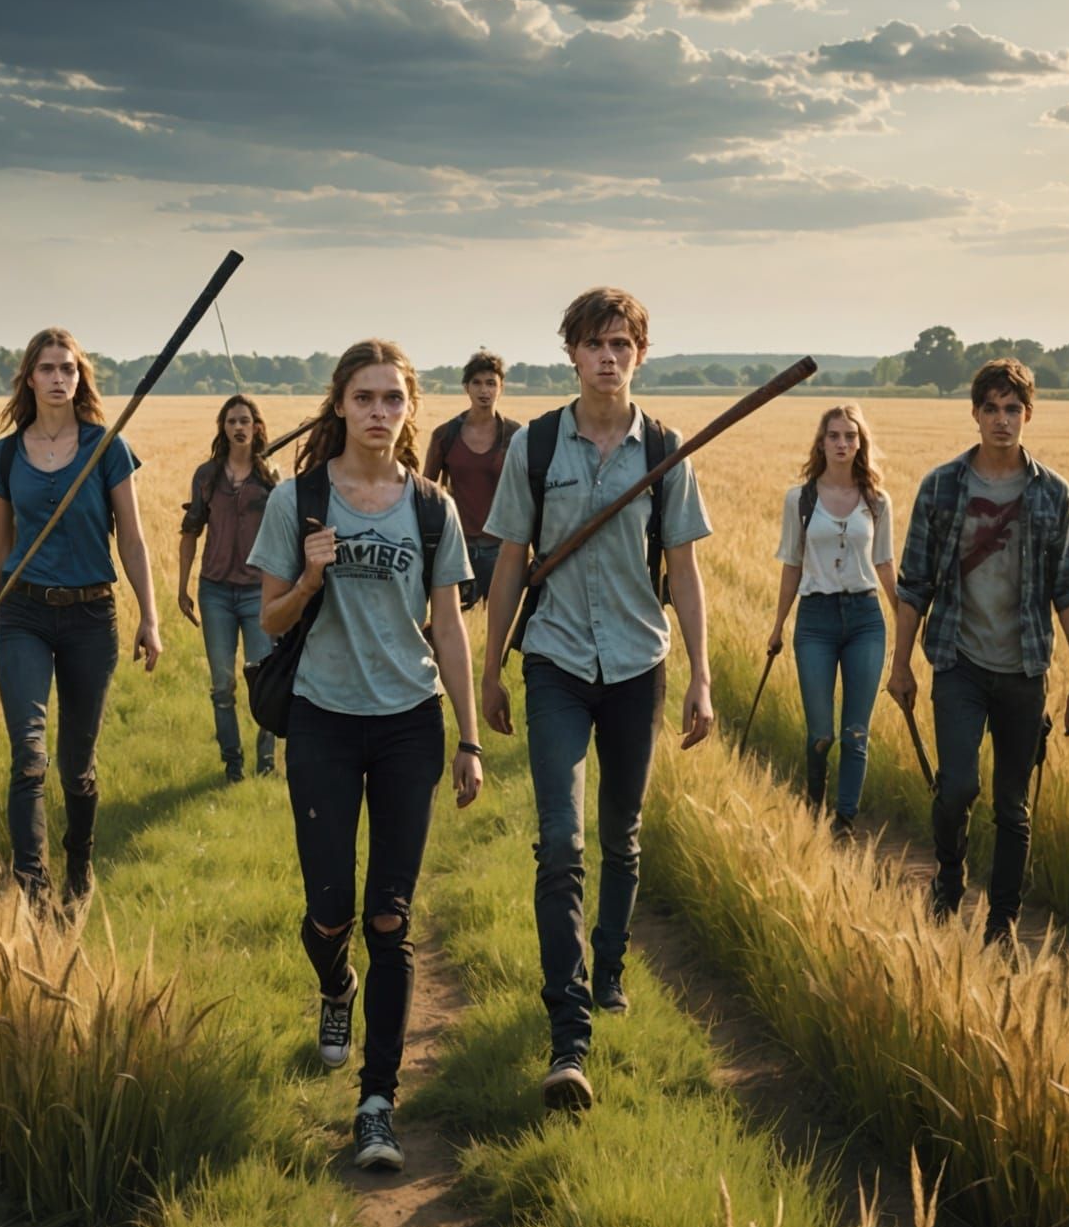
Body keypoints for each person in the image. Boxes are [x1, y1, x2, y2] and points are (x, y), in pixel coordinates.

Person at [249, 339, 483, 1172]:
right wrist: (308, 582)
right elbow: (270, 620)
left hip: (407, 723)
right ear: (339, 406)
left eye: (393, 398)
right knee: (329, 912)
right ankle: (334, 983)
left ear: (408, 409)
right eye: (364, 398)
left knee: (391, 915)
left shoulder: (431, 508)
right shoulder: (298, 500)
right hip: (319, 718)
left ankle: (377, 1104)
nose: (379, 412)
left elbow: (449, 626)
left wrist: (468, 735)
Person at [480, 287, 714, 1114]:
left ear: (639, 354)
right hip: (554, 661)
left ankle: (609, 963)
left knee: (622, 834)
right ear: (571, 354)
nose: (607, 357)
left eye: (621, 344)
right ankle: (568, 1031)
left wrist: (702, 675)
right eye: (593, 344)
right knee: (559, 841)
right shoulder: (537, 446)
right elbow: (511, 559)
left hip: (636, 663)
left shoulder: (665, 448)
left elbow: (682, 569)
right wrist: (488, 669)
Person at [887, 359, 1069, 946]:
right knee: (956, 788)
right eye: (991, 408)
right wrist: (901, 665)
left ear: (1028, 415)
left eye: (1013, 409)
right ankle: (949, 875)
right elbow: (914, 583)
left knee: (1012, 806)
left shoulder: (1054, 493)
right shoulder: (942, 486)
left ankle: (1001, 922)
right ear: (975, 413)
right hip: (958, 662)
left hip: (1025, 670)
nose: (1002, 420)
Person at [0, 327, 162, 910]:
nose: (57, 378)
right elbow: (0, 547)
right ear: (29, 377)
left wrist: (150, 617)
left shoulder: (107, 447)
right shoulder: (3, 455)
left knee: (76, 765)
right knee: (28, 754)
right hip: (21, 612)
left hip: (90, 616)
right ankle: (33, 887)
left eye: (68, 369)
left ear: (80, 378)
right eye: (46, 368)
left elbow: (133, 539)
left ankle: (79, 861)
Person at [766, 403, 897, 839]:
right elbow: (791, 564)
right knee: (821, 732)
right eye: (835, 436)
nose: (842, 443)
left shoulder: (877, 502)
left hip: (865, 619)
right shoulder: (800, 499)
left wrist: (907, 624)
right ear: (821, 442)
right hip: (815, 620)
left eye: (850, 436)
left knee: (856, 732)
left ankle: (844, 821)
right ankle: (814, 806)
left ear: (861, 444)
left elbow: (884, 564)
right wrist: (778, 626)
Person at [179, 394, 280, 782]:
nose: (239, 427)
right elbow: (190, 532)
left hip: (258, 592)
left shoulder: (270, 478)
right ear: (223, 428)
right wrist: (182, 586)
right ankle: (232, 764)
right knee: (222, 684)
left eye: (245, 421)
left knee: (263, 681)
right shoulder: (207, 476)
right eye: (231, 421)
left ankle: (266, 763)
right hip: (215, 591)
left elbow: (285, 537)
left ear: (257, 428)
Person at [422, 349, 521, 610]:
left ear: (501, 388)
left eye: (491, 383)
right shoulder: (445, 435)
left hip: (501, 546)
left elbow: (529, 495)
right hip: (457, 545)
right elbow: (427, 492)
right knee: (455, 619)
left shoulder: (516, 436)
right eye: (476, 383)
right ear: (466, 387)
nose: (484, 390)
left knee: (499, 618)